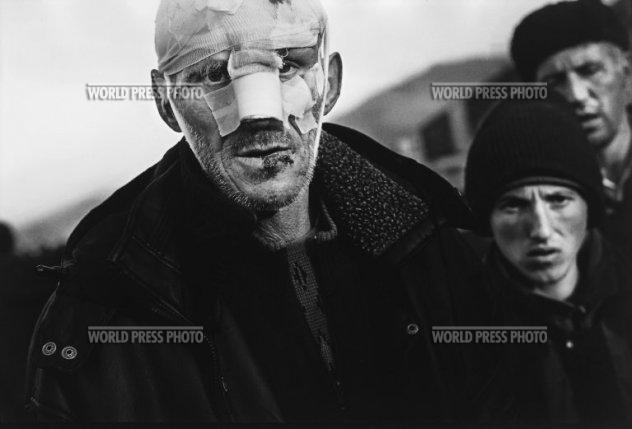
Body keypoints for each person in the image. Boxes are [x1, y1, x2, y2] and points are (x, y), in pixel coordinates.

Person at [25, 0, 486, 422]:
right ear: (165, 101)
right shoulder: (100, 321)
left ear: (330, 84)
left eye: (287, 65)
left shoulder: (437, 250)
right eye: (213, 76)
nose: (258, 112)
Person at [465, 98, 632, 423]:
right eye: (513, 205)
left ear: (590, 206)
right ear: (488, 220)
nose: (541, 229)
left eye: (558, 199)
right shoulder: (468, 338)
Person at [511, 0, 632, 255]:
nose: (577, 95)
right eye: (555, 82)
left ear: (627, 73)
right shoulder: (540, 201)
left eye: (590, 70)